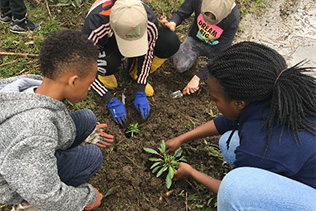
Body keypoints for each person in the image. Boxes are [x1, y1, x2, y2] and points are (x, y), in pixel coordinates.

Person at [165, 41, 316, 210]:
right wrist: (181, 138)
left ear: (239, 103)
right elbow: (230, 120)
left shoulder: (260, 143)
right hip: (305, 165)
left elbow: (230, 190)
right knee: (228, 142)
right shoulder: (273, 94)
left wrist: (192, 173)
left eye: (215, 99)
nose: (212, 102)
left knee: (235, 188)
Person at [0, 29, 115, 210]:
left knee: (87, 118)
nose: (90, 88)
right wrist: (87, 197)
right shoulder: (36, 130)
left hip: (21, 154)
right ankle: (27, 204)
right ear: (74, 81)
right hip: (13, 181)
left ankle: (43, 162)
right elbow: (47, 196)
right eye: (90, 83)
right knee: (92, 157)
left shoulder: (33, 85)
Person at [82, 0, 180, 125]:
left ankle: (134, 72)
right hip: (107, 40)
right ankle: (105, 73)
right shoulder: (95, 25)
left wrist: (141, 88)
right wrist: (109, 98)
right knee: (109, 63)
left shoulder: (147, 20)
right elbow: (83, 67)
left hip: (129, 32)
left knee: (169, 41)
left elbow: (148, 52)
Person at [160, 0, 240, 95]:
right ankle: (194, 64)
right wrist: (173, 22)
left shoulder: (233, 18)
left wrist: (198, 77)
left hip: (216, 48)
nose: (207, 24)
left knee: (222, 78)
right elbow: (182, 12)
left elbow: (221, 54)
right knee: (179, 65)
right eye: (205, 19)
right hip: (195, 40)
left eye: (213, 22)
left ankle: (204, 77)